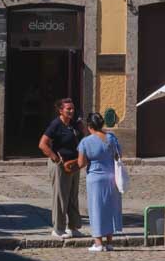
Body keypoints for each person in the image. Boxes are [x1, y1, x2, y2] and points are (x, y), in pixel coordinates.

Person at [75, 112, 122, 252]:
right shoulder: (111, 138)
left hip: (95, 179)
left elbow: (81, 163)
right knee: (109, 209)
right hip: (111, 177)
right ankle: (109, 243)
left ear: (89, 126)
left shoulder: (85, 142)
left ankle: (98, 243)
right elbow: (118, 156)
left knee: (96, 209)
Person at [39, 97, 83, 239]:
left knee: (72, 196)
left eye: (72, 108)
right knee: (60, 197)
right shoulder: (56, 124)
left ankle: (73, 227)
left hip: (73, 164)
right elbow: (43, 144)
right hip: (60, 166)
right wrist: (56, 158)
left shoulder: (74, 124)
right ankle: (58, 229)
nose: (71, 111)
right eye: (68, 109)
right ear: (61, 110)